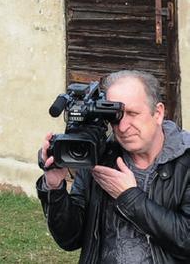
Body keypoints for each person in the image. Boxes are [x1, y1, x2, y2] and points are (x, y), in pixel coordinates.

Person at [38, 69, 190, 263]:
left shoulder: (185, 159)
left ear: (158, 112)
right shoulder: (98, 156)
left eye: (133, 114)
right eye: (116, 116)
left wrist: (129, 197)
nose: (124, 127)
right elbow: (70, 239)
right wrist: (54, 188)